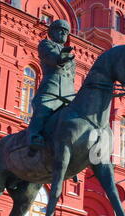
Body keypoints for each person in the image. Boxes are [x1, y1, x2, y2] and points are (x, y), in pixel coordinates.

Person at [27, 19, 76, 150]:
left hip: (69, 94)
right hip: (52, 88)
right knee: (43, 110)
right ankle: (34, 136)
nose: (63, 33)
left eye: (66, 31)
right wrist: (61, 57)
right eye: (60, 30)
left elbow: (72, 77)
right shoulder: (46, 44)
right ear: (52, 32)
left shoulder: (71, 55)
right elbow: (51, 57)